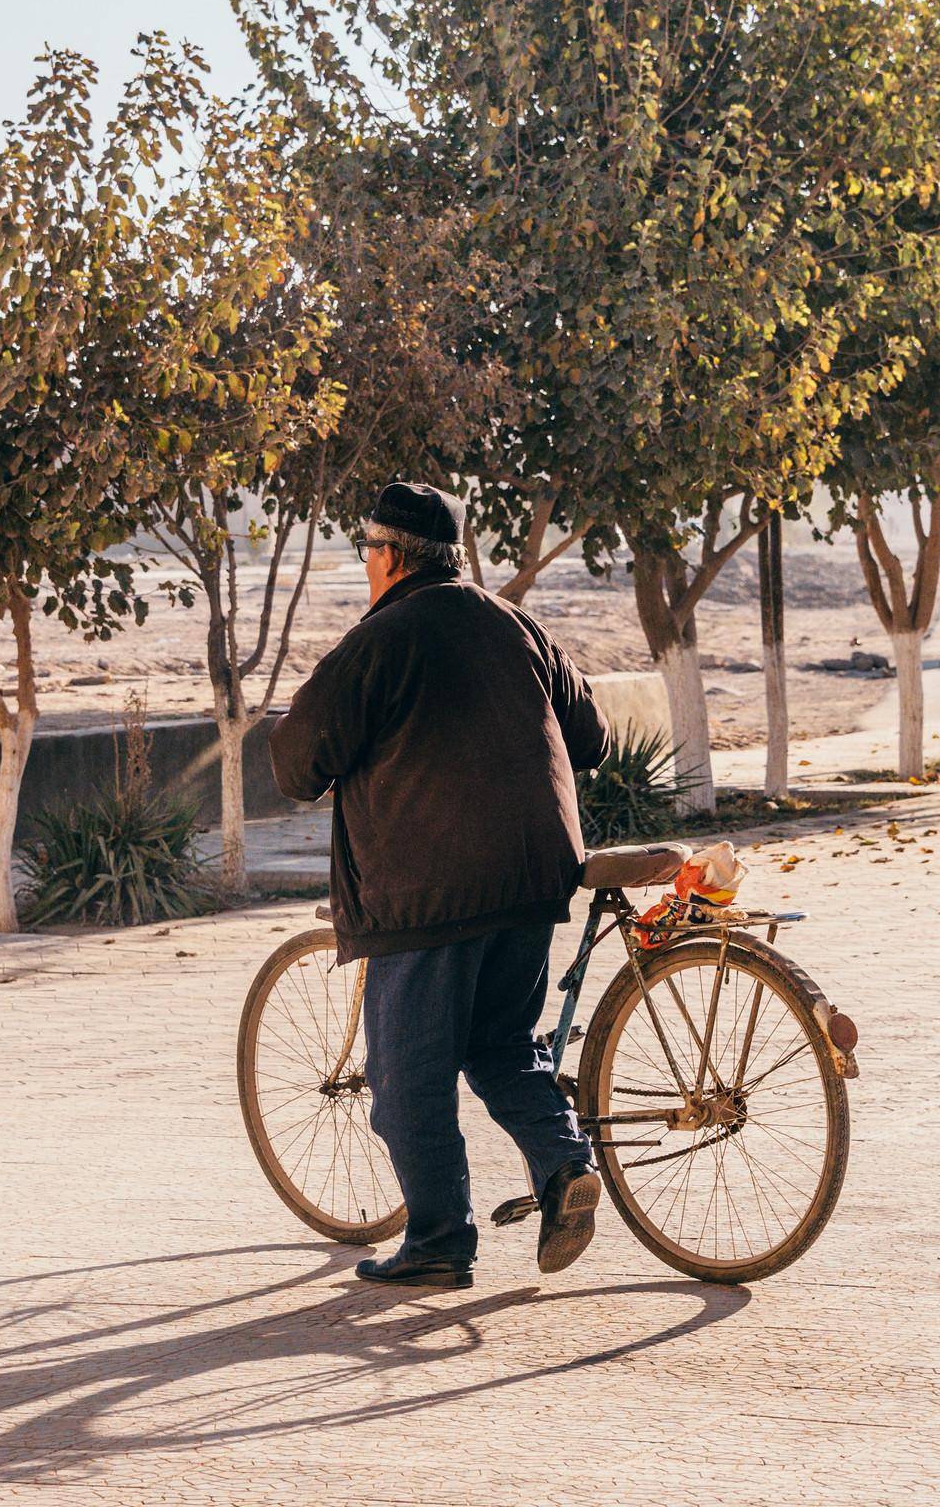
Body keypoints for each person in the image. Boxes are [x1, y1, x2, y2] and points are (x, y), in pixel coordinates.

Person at [269, 480, 612, 1290]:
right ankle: (564, 1166)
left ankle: (438, 1242)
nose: (365, 566)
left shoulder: (381, 638)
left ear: (387, 557)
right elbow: (591, 737)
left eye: (365, 552)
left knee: (403, 1083)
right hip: (534, 879)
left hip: (428, 894)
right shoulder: (511, 621)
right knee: (499, 1045)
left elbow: (295, 764)